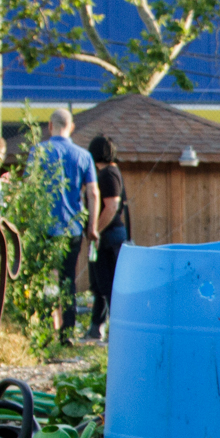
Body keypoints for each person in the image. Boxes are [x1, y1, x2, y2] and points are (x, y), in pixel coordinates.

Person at [30, 108, 98, 344]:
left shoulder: (38, 152)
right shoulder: (83, 156)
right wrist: (92, 226)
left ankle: (44, 330)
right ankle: (67, 332)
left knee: (44, 277)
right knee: (67, 278)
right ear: (72, 127)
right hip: (72, 227)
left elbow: (30, 187)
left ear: (50, 126)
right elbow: (92, 192)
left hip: (44, 225)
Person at [85, 135, 128, 340]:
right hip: (108, 236)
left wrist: (95, 229)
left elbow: (111, 207)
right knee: (100, 284)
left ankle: (116, 330)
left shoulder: (109, 174)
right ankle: (97, 326)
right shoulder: (110, 172)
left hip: (109, 237)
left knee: (109, 284)